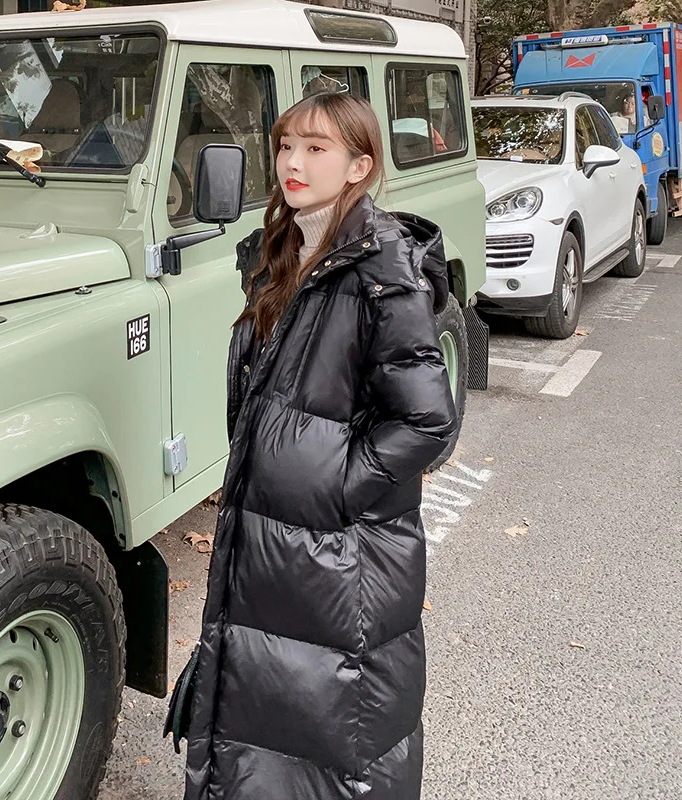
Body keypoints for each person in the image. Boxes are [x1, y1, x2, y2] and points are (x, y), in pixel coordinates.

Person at [182, 92, 458, 799]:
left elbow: (427, 420)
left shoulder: (381, 266)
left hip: (340, 552)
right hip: (279, 540)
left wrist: (333, 486)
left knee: (336, 741)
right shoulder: (287, 249)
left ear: (359, 167)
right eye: (284, 146)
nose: (292, 163)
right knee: (267, 716)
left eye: (315, 148)